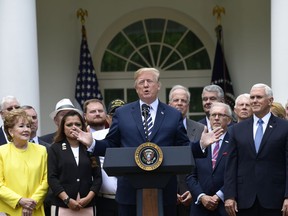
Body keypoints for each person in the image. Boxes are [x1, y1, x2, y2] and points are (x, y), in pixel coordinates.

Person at [73, 67, 223, 216]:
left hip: (164, 192)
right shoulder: (122, 113)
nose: (145, 85)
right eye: (141, 82)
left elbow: (182, 148)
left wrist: (201, 144)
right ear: (136, 87)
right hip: (130, 192)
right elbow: (111, 145)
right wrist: (92, 143)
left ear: (158, 85)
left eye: (149, 81)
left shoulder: (173, 114)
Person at [224, 83, 288, 216]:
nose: (254, 101)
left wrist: (287, 196)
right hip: (244, 199)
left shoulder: (284, 127)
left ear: (270, 101)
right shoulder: (237, 130)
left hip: (275, 199)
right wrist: (229, 196)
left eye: (258, 97)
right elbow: (230, 165)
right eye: (252, 97)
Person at [48, 110, 102, 216]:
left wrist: (88, 198)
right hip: (63, 204)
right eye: (69, 124)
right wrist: (67, 200)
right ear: (63, 128)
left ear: (82, 126)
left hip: (87, 204)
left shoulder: (90, 146)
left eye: (77, 124)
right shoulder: (55, 148)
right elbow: (52, 178)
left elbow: (97, 177)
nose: (73, 127)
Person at [0, 109, 48, 216]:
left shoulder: (42, 151)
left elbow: (46, 181)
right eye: (21, 126)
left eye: (28, 126)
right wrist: (20, 200)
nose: (26, 129)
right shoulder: (1, 152)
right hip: (9, 210)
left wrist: (32, 203)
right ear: (11, 131)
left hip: (35, 209)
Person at [186, 102, 231, 216]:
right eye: (213, 115)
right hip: (200, 207)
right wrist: (202, 196)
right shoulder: (199, 142)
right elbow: (190, 175)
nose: (216, 118)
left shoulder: (235, 143)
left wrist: (219, 195)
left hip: (225, 206)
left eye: (221, 115)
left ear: (229, 120)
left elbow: (237, 174)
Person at [168, 85, 205, 216]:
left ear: (188, 105)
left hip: (192, 194)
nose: (179, 103)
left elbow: (203, 164)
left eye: (183, 101)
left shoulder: (201, 129)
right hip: (167, 192)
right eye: (176, 100)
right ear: (169, 104)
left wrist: (194, 191)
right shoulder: (159, 129)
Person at [91, 98, 126, 216]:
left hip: (129, 198)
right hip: (104, 200)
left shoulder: (135, 138)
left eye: (122, 114)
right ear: (107, 118)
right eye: (114, 115)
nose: (118, 118)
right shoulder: (96, 137)